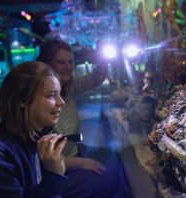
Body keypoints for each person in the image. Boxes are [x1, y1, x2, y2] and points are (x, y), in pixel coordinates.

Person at [37, 39, 133, 197]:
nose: (68, 67)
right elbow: (47, 160)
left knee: (115, 158)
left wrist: (103, 58)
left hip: (75, 152)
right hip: (57, 169)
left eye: (70, 62)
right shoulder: (42, 101)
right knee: (107, 176)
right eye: (61, 62)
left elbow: (96, 77)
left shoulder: (67, 88)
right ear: (47, 63)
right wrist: (83, 163)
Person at [0, 61, 68, 197]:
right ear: (23, 99)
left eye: (59, 94)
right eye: (51, 95)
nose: (61, 102)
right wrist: (54, 177)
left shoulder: (34, 138)